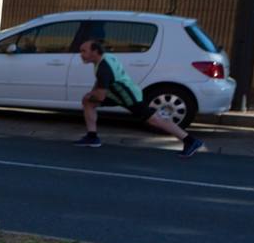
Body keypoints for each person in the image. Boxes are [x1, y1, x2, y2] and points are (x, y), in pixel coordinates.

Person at [75, 40, 203, 157]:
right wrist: (91, 94)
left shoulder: (104, 68)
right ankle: (92, 137)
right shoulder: (104, 58)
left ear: (95, 52)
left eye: (83, 51)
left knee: (154, 120)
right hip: (117, 94)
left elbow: (101, 96)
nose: (81, 54)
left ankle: (190, 140)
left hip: (128, 97)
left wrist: (90, 95)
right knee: (88, 102)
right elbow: (101, 83)